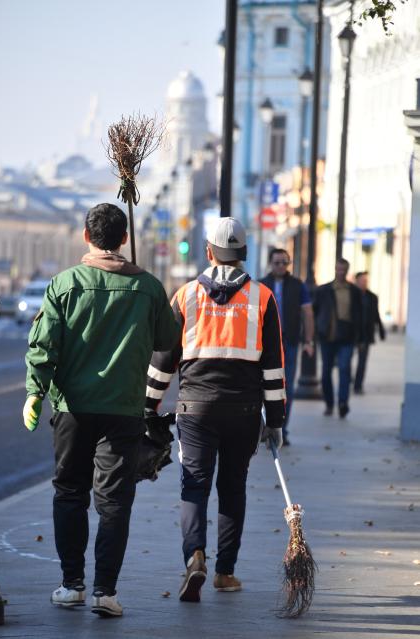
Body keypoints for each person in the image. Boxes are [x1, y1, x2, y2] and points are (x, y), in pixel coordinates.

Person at [23, 203, 179, 617]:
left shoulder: (64, 283)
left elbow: (44, 345)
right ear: (125, 239)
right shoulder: (147, 286)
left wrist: (34, 392)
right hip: (124, 409)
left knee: (69, 492)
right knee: (114, 501)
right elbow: (167, 340)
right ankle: (105, 592)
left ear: (86, 237)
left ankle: (71, 584)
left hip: (73, 409)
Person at [145, 217, 286, 603]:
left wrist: (148, 406)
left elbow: (164, 360)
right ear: (243, 254)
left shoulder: (186, 296)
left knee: (194, 484)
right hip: (243, 412)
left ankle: (195, 558)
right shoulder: (263, 299)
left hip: (195, 410)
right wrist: (275, 421)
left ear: (208, 251)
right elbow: (273, 367)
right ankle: (225, 572)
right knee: (232, 487)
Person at [260, 248, 314, 445]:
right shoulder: (261, 285)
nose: (281, 266)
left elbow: (308, 313)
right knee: (261, 386)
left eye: (285, 262)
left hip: (289, 343)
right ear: (270, 264)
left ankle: (281, 428)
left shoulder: (298, 285)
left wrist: (308, 341)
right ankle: (263, 426)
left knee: (286, 387)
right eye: (277, 262)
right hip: (263, 345)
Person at [314, 258, 363, 418]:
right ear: (335, 269)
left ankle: (343, 403)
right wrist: (315, 332)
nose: (340, 272)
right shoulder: (324, 290)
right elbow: (315, 312)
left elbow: (360, 315)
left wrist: (360, 337)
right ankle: (329, 403)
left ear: (347, 271)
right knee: (326, 372)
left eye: (343, 270)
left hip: (347, 338)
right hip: (327, 337)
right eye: (338, 269)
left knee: (344, 370)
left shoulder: (354, 291)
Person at [353, 271, 386, 394]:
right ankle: (348, 380)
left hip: (366, 334)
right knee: (345, 361)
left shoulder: (372, 297)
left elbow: (376, 314)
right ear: (356, 282)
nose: (364, 283)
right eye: (362, 281)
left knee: (362, 362)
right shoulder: (351, 295)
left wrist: (381, 329)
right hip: (351, 334)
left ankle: (358, 385)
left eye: (366, 281)